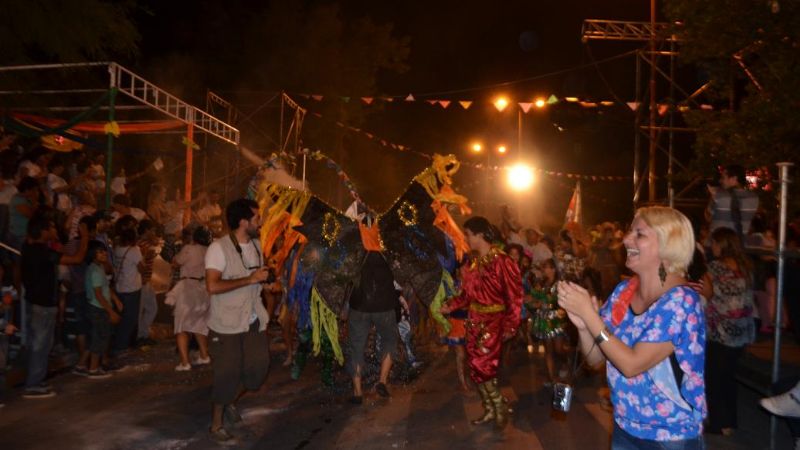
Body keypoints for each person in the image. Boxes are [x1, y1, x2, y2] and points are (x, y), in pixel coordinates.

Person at [557, 206, 706, 449]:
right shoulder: (622, 293)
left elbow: (631, 364)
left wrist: (590, 316)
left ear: (668, 244)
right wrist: (584, 326)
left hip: (670, 436)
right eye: (630, 231)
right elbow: (596, 359)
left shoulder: (682, 301)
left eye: (640, 234)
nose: (626, 239)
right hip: (625, 427)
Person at [440, 216, 523, 430]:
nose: (466, 238)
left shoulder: (503, 261)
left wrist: (511, 325)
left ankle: (498, 405)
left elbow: (515, 296)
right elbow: (466, 295)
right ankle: (490, 409)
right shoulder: (473, 263)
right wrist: (449, 305)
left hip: (494, 321)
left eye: (468, 234)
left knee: (482, 365)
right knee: (476, 367)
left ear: (479, 235)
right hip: (474, 321)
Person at [205, 198, 270, 443]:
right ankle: (216, 424)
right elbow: (212, 286)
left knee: (257, 371)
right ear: (244, 222)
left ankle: (231, 400)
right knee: (227, 374)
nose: (260, 222)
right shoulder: (218, 249)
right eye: (257, 218)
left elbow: (255, 279)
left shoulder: (256, 245)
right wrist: (250, 280)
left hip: (252, 319)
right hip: (226, 323)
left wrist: (266, 282)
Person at [21, 215, 88, 398]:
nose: (54, 231)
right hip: (42, 304)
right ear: (42, 231)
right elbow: (77, 258)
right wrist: (85, 237)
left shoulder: (29, 247)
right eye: (50, 227)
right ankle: (33, 384)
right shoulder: (42, 252)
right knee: (40, 345)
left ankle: (36, 380)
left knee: (41, 344)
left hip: (36, 301)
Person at [705, 227, 755, 435]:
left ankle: (719, 423)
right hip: (741, 331)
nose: (712, 246)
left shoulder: (715, 267)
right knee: (729, 378)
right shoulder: (745, 267)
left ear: (722, 244)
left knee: (714, 378)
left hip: (721, 331)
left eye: (714, 243)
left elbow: (707, 294)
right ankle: (731, 422)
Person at [347, 251, 401, 404]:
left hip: (359, 305)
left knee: (356, 347)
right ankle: (382, 381)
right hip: (384, 305)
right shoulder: (389, 247)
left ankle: (357, 392)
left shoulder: (355, 248)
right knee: (390, 340)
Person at [166, 226, 212, 371]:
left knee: (181, 326)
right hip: (203, 289)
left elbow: (175, 262)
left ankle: (185, 362)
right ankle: (204, 356)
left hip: (188, 288)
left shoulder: (189, 249)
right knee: (199, 324)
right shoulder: (210, 250)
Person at [527, 258, 569, 386]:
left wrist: (545, 303)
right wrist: (531, 301)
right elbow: (534, 297)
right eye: (543, 267)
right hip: (544, 320)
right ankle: (552, 377)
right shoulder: (541, 283)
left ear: (553, 269)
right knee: (548, 350)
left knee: (558, 349)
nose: (544, 270)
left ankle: (565, 362)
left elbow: (562, 301)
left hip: (557, 320)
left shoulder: (560, 284)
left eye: (546, 267)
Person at [85, 240, 123, 378]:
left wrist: (116, 300)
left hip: (101, 307)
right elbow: (98, 294)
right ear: (93, 254)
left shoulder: (99, 267)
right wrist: (111, 311)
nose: (104, 253)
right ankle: (93, 369)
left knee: (102, 336)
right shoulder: (95, 271)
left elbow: (106, 288)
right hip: (98, 308)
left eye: (104, 251)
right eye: (100, 252)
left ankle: (96, 366)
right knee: (99, 338)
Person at [706, 164, 759, 243]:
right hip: (739, 245)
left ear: (734, 179)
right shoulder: (754, 198)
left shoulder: (719, 196)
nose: (721, 181)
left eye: (723, 178)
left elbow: (708, 217)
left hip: (717, 244)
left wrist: (712, 196)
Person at [111, 227, 142, 355]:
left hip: (119, 288)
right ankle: (121, 346)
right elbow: (141, 267)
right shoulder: (134, 250)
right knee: (130, 319)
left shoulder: (117, 249)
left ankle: (117, 344)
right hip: (131, 288)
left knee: (121, 318)